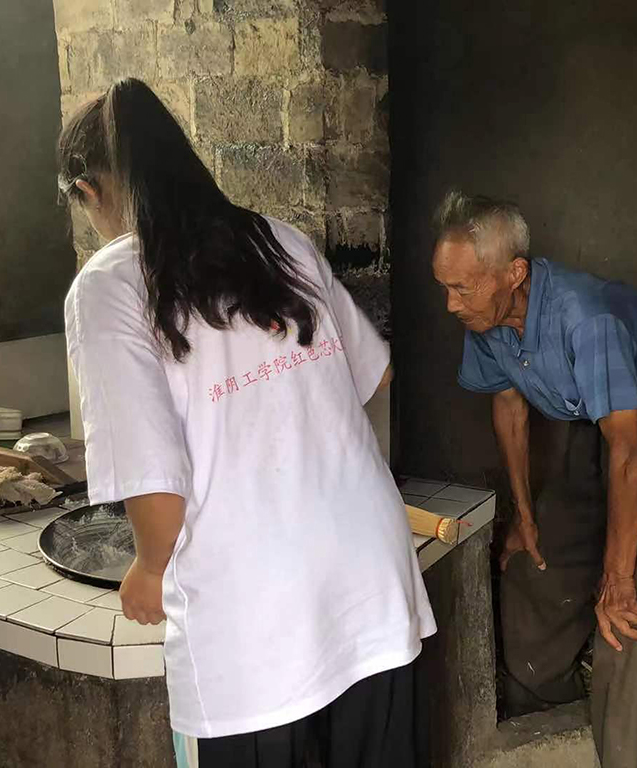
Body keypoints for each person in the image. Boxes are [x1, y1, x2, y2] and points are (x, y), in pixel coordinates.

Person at [60, 78, 436, 768]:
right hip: (369, 581)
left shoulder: (108, 285)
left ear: (88, 191)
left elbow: (156, 490)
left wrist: (147, 568)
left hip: (254, 627)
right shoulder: (278, 239)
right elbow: (376, 375)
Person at [431, 191, 637, 768]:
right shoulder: (489, 321)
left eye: (462, 288)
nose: (450, 304)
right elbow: (511, 409)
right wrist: (525, 517)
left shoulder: (584, 316)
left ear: (513, 273)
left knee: (629, 619)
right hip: (594, 434)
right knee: (531, 574)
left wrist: (618, 579)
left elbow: (631, 456)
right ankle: (559, 733)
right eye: (445, 286)